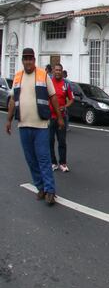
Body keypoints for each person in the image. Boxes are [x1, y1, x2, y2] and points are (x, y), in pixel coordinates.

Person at [5, 48, 64, 205]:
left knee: (44, 158)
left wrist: (59, 117)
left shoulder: (43, 75)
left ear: (34, 60)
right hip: (23, 125)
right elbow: (13, 100)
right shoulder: (18, 77)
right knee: (30, 159)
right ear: (22, 61)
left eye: (30, 59)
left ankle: (50, 190)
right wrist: (9, 120)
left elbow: (53, 97)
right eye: (25, 59)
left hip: (41, 125)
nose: (28, 61)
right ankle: (41, 187)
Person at [49, 64, 73, 172]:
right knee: (50, 141)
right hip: (50, 117)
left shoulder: (66, 84)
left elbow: (71, 99)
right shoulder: (49, 83)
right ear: (53, 71)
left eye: (59, 70)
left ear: (62, 72)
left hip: (61, 118)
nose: (58, 72)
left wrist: (65, 106)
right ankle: (53, 163)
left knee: (62, 141)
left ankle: (63, 163)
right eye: (56, 70)